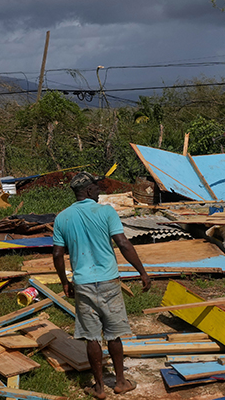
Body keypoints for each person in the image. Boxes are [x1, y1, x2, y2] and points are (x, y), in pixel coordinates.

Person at [52, 171, 151, 400]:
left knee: (92, 337)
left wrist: (64, 281)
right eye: (96, 187)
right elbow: (123, 243)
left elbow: (57, 254)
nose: (99, 190)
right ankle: (120, 382)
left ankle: (99, 388)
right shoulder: (106, 211)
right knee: (114, 334)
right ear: (87, 190)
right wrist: (142, 272)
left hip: (83, 283)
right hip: (108, 281)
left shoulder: (62, 218)